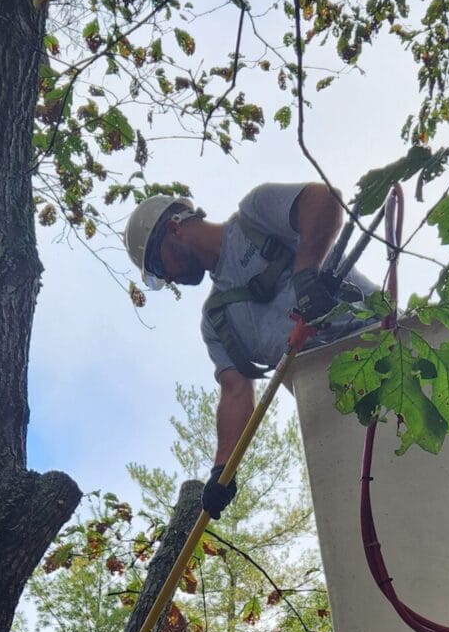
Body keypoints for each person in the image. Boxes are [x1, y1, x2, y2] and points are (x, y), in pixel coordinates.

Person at [123, 183, 374, 516]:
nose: (167, 277)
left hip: (380, 343)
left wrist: (305, 274)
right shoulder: (217, 320)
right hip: (337, 412)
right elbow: (235, 390)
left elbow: (324, 200)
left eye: (158, 266)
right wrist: (222, 470)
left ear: (174, 229)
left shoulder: (255, 216)